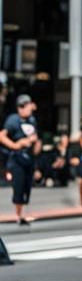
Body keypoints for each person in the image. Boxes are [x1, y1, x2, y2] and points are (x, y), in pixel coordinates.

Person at [1, 94, 42, 225]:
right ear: (21, 107)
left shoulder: (32, 120)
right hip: (17, 159)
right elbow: (2, 136)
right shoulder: (13, 120)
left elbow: (35, 136)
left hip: (29, 158)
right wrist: (15, 145)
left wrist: (36, 144)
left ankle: (23, 213)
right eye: (28, 106)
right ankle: (19, 215)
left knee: (27, 186)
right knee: (18, 185)